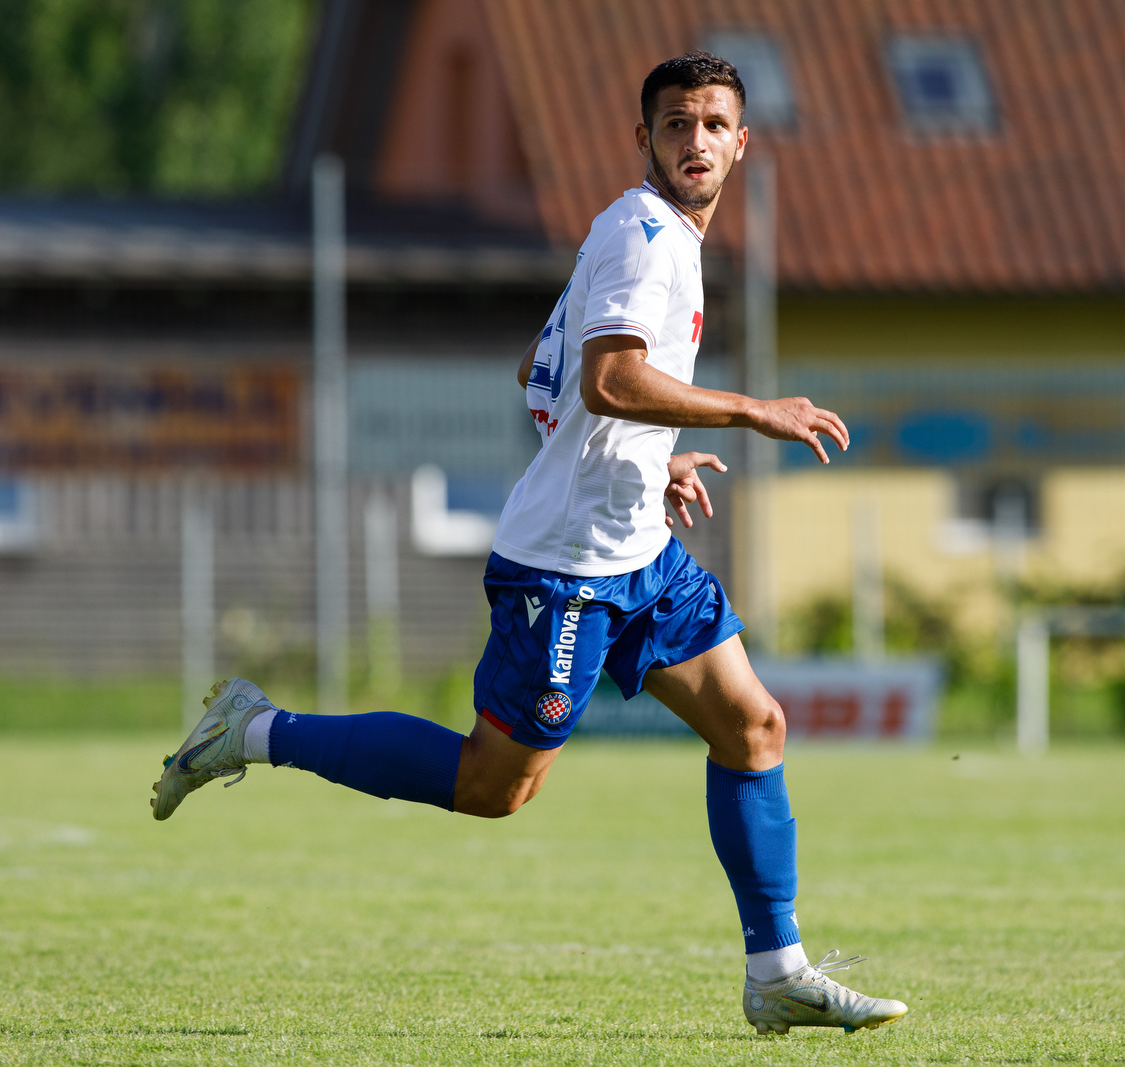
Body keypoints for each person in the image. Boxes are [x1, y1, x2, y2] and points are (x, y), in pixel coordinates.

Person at [151, 51, 906, 1037]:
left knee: (753, 726)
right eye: (675, 124)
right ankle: (251, 729)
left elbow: (536, 370)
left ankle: (777, 970)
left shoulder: (641, 234)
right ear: (643, 139)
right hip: (566, 568)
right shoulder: (644, 235)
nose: (695, 141)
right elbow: (605, 379)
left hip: (636, 547)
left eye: (714, 125)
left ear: (742, 144)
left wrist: (652, 459)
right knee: (491, 786)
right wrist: (750, 411)